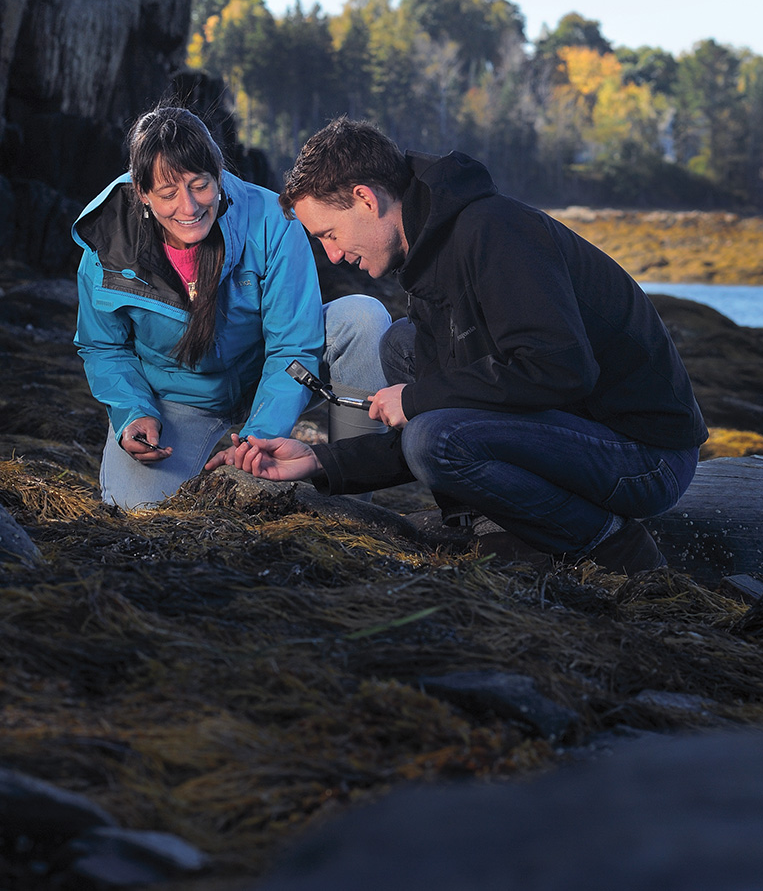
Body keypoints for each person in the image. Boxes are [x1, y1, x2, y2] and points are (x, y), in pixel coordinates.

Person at [214, 116, 708, 575]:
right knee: (402, 346)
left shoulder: (496, 232)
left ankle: (610, 543)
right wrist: (319, 461)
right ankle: (487, 522)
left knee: (435, 438)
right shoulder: (429, 253)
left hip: (646, 457)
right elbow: (458, 402)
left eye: (329, 234)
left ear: (366, 198)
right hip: (577, 430)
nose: (334, 255)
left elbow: (561, 369)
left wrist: (415, 400)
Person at [73, 106, 391, 510]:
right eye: (168, 194)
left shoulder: (272, 220)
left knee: (363, 317)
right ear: (143, 193)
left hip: (268, 371)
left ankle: (354, 488)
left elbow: (292, 346)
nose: (189, 208)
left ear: (219, 173)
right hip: (178, 398)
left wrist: (259, 437)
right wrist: (132, 411)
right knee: (133, 510)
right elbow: (104, 348)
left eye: (200, 185)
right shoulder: (108, 245)